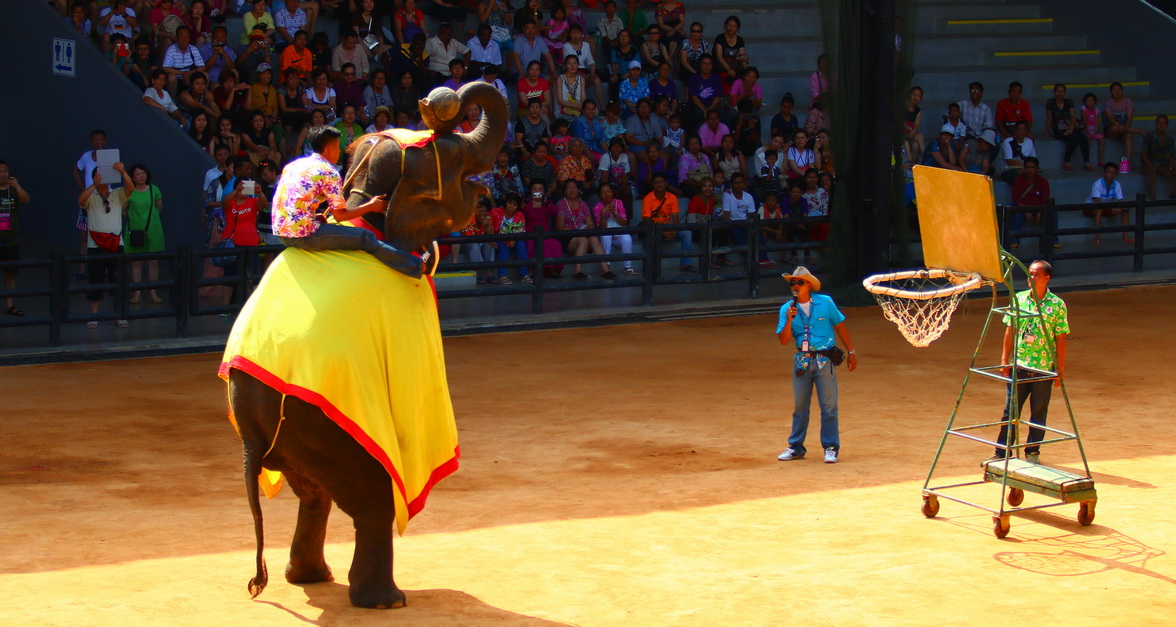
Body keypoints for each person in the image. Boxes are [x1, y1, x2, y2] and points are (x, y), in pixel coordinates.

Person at [272, 126, 423, 277]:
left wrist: (314, 216)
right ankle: (417, 266)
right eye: (338, 147)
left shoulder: (294, 165)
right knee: (365, 237)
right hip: (302, 235)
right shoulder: (329, 172)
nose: (339, 151)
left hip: (281, 231)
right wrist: (370, 206)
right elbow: (340, 215)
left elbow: (294, 199)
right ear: (330, 148)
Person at [776, 266, 858, 463]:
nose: (795, 286)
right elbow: (784, 340)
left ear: (809, 285)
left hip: (824, 360)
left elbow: (840, 326)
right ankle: (796, 447)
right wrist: (789, 320)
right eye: (792, 283)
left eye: (799, 282)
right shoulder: (786, 309)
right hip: (802, 361)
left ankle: (830, 447)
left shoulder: (826, 302)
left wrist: (851, 351)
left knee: (829, 405)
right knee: (800, 406)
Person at [990, 260, 1068, 466]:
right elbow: (1010, 330)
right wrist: (1004, 360)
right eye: (1030, 274)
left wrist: (1059, 369)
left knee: (1039, 412)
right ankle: (1002, 451)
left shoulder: (1057, 305)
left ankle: (1033, 452)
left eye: (1036, 275)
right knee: (1010, 411)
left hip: (1042, 367)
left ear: (1046, 278)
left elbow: (1061, 338)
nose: (1031, 278)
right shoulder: (1019, 299)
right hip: (1020, 365)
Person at [79, 162, 134, 329]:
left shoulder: (117, 193)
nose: (102, 178)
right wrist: (94, 185)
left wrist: (123, 172)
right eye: (98, 175)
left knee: (118, 279)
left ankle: (120, 315)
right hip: (95, 245)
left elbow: (130, 189)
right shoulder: (91, 194)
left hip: (116, 243)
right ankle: (94, 315)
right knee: (95, 279)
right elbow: (81, 201)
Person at [124, 163, 165, 305]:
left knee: (153, 262)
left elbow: (159, 208)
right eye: (137, 174)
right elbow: (123, 210)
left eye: (143, 173)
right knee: (136, 263)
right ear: (132, 177)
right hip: (135, 231)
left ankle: (153, 292)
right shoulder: (128, 192)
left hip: (153, 230)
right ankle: (137, 293)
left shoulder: (155, 190)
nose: (141, 176)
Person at [642, 172, 695, 273]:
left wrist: (673, 231)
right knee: (649, 234)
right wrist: (662, 232)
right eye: (656, 183)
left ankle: (685, 264)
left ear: (666, 183)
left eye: (661, 182)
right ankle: (651, 266)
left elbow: (675, 217)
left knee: (687, 233)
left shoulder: (672, 197)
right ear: (653, 185)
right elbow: (647, 221)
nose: (659, 185)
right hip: (654, 229)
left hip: (669, 228)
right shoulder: (648, 198)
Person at [0, 160, 31, 316]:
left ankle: (9, 305)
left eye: (5, 171)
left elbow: (26, 200)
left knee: (10, 273)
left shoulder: (13, 190)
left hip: (11, 240)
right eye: (0, 171)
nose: (3, 174)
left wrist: (18, 186)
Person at [1008, 157, 1053, 250]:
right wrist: (1025, 211)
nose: (1029, 170)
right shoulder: (1018, 180)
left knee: (1053, 213)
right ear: (1024, 168)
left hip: (1038, 208)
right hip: (1022, 206)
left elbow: (1045, 198)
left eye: (1032, 167)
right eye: (1027, 167)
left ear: (1037, 169)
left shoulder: (1043, 181)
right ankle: (1015, 241)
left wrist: (1041, 212)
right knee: (1016, 212)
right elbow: (1016, 197)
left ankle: (1054, 241)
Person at [1045, 83, 1090, 172]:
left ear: (1064, 93)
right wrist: (1046, 134)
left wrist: (1071, 128)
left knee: (1082, 136)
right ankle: (1066, 162)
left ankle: (1087, 162)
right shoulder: (1050, 103)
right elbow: (1049, 119)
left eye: (1062, 91)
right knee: (1073, 137)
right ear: (1054, 92)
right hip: (1058, 129)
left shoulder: (1069, 102)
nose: (1060, 93)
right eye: (1058, 91)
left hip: (1069, 127)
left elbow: (1073, 116)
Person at [592, 182, 635, 275]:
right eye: (603, 193)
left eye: (608, 191)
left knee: (627, 238)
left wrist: (615, 214)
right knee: (606, 236)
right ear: (600, 196)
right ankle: (607, 266)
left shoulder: (618, 203)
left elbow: (624, 223)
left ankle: (628, 266)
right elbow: (601, 229)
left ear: (612, 193)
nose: (606, 194)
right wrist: (603, 214)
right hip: (606, 235)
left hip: (618, 233)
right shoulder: (597, 207)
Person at [1086, 162, 1132, 246]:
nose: (1111, 174)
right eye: (1108, 172)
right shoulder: (1097, 184)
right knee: (1099, 209)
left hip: (1106, 207)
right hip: (1091, 208)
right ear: (1104, 173)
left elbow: (1120, 200)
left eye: (1113, 172)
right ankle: (1097, 238)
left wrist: (1122, 207)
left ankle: (1125, 237)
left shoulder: (1117, 184)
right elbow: (1097, 203)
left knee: (1125, 210)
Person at [1103, 82, 1146, 174]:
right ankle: (1138, 130)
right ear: (1111, 92)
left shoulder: (1128, 101)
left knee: (1129, 136)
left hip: (1125, 128)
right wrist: (1120, 126)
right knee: (1115, 128)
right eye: (1114, 90)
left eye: (1119, 89)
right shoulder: (1108, 102)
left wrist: (1126, 126)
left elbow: (1130, 116)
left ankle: (1127, 163)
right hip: (1112, 129)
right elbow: (1110, 118)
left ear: (1122, 90)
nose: (1117, 92)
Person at [1141, 115, 1176, 201]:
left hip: (1164, 165)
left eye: (1163, 123)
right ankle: (1153, 195)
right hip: (1150, 164)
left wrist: (1172, 166)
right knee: (1150, 169)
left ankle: (1174, 193)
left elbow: (1173, 156)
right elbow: (1143, 153)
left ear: (1166, 125)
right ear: (1156, 124)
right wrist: (1150, 164)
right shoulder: (1149, 136)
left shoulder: (1170, 139)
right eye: (1159, 123)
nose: (1161, 125)